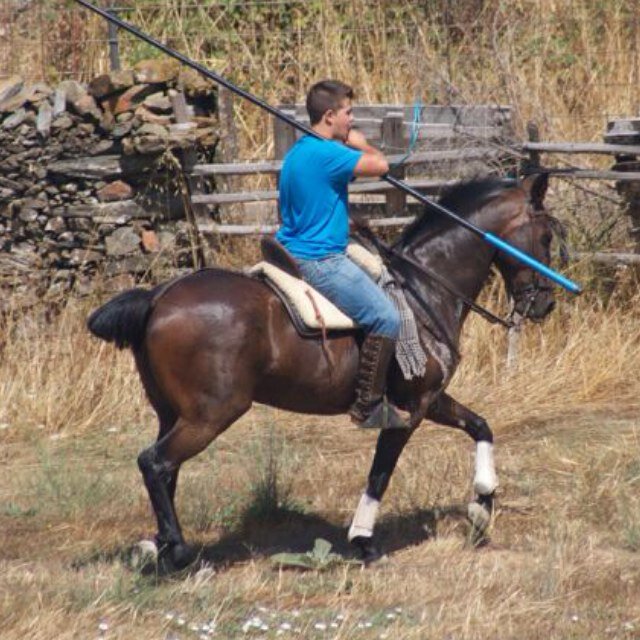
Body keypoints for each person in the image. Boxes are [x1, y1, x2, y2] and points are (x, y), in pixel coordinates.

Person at [276, 79, 407, 430]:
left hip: (291, 250)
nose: (352, 120)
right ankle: (369, 405)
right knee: (386, 317)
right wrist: (360, 143)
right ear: (330, 116)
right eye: (348, 113)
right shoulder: (329, 153)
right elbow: (380, 165)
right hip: (321, 261)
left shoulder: (298, 152)